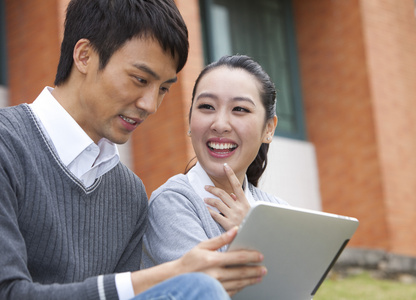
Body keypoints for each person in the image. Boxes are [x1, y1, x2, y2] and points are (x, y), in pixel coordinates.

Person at [0, 1, 267, 299]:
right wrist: (171, 275)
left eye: (163, 88)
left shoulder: (128, 194)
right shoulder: (7, 146)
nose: (150, 105)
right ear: (84, 56)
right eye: (140, 80)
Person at [142, 55, 289, 268]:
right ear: (190, 119)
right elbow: (209, 290)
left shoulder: (279, 211)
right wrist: (254, 237)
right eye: (207, 107)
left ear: (268, 129)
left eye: (240, 109)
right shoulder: (172, 203)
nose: (220, 124)